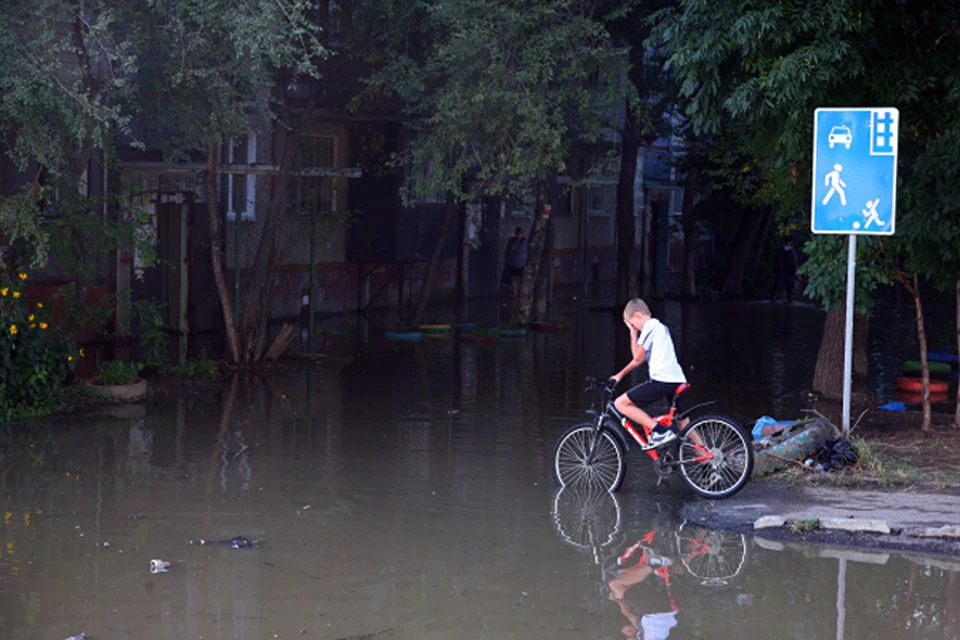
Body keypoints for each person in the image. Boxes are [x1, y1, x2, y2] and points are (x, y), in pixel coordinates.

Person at [608, 299, 688, 449]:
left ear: (638, 315)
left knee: (620, 403)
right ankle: (708, 460)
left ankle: (660, 431)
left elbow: (637, 359)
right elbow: (638, 357)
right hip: (677, 380)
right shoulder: (659, 327)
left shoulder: (650, 326)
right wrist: (633, 332)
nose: (635, 327)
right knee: (684, 424)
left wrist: (619, 375)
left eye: (633, 324)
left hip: (662, 381)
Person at [502, 226, 528, 303]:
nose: (519, 236)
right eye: (517, 234)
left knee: (521, 280)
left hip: (522, 264)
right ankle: (515, 295)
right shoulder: (511, 241)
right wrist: (507, 260)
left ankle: (521, 295)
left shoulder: (525, 242)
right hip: (512, 263)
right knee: (513, 279)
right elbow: (507, 251)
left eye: (520, 234)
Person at [772, 236, 798, 303]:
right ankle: (777, 298)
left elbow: (794, 263)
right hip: (784, 271)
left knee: (786, 286)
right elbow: (794, 262)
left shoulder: (783, 250)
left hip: (786, 271)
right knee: (782, 285)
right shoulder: (791, 251)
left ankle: (780, 298)